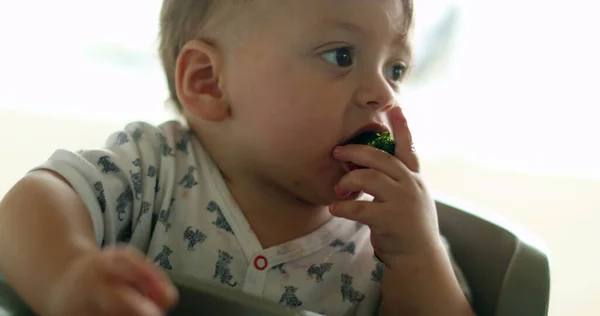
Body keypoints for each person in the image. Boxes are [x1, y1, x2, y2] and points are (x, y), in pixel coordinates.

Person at [0, 1, 475, 315]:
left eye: (396, 68)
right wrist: (65, 277)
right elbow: (29, 204)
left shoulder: (390, 238)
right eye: (341, 56)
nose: (381, 93)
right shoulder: (155, 169)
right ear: (209, 83)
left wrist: (417, 255)